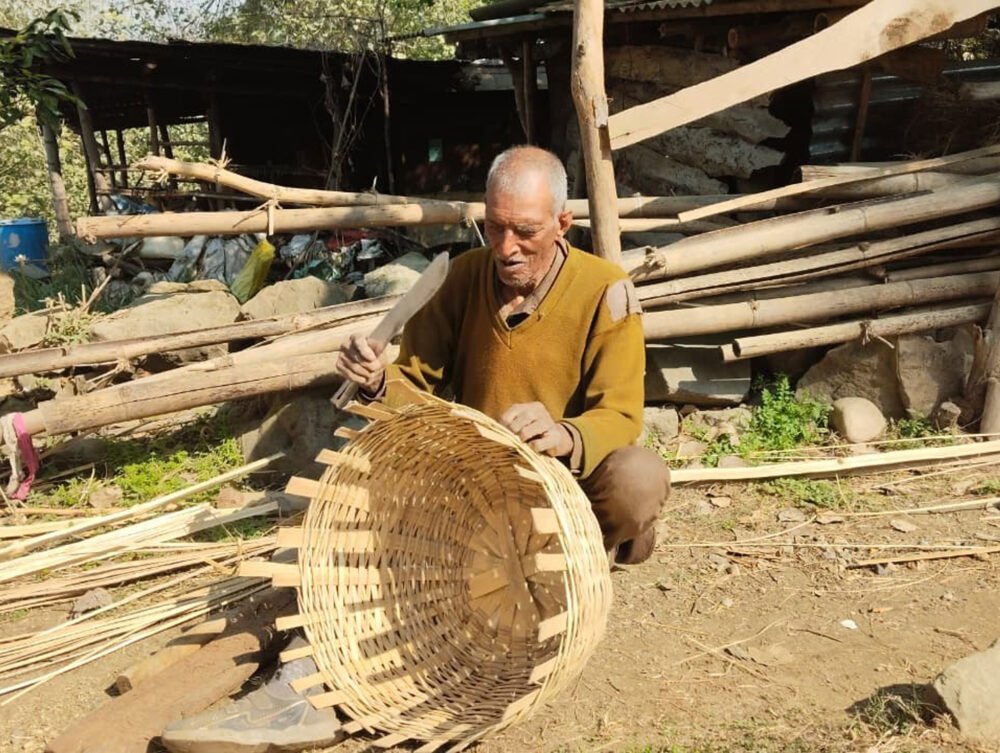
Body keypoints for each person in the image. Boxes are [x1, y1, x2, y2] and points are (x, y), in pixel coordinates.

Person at [160, 146, 669, 753]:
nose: (507, 247)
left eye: (526, 232)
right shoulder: (461, 280)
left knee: (638, 476)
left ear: (563, 225)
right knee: (377, 478)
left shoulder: (606, 291)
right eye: (496, 226)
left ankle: (586, 554)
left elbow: (621, 416)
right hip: (477, 490)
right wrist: (378, 380)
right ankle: (323, 668)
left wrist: (564, 434)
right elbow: (415, 396)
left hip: (561, 486)